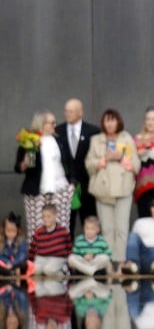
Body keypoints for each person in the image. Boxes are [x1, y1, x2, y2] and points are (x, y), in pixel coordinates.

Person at [85, 108, 139, 266]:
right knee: (107, 229)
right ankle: (108, 264)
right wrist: (104, 159)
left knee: (121, 229)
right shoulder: (96, 140)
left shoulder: (127, 138)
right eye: (106, 120)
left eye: (112, 120)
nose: (109, 124)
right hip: (103, 189)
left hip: (123, 188)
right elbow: (89, 164)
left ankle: (121, 263)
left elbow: (136, 164)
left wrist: (121, 157)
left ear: (118, 121)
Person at [18, 110, 75, 237]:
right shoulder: (29, 141)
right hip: (36, 190)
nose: (55, 125)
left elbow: (70, 162)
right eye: (52, 123)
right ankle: (37, 255)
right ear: (42, 124)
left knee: (61, 224)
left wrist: (72, 184)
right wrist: (24, 164)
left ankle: (60, 254)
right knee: (36, 226)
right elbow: (18, 167)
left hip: (60, 188)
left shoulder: (60, 140)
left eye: (55, 122)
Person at [54, 98, 101, 233]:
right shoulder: (58, 130)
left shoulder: (93, 131)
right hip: (65, 185)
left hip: (87, 184)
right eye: (66, 111)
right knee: (66, 222)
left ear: (80, 113)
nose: (67, 114)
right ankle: (67, 251)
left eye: (71, 111)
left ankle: (92, 251)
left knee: (89, 220)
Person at [29, 203, 72, 275]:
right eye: (43, 217)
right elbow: (32, 249)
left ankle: (63, 271)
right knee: (35, 271)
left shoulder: (63, 231)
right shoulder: (39, 232)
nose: (45, 219)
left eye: (48, 216)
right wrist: (30, 262)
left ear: (55, 216)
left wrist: (69, 265)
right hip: (42, 258)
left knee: (48, 270)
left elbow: (69, 248)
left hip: (57, 258)